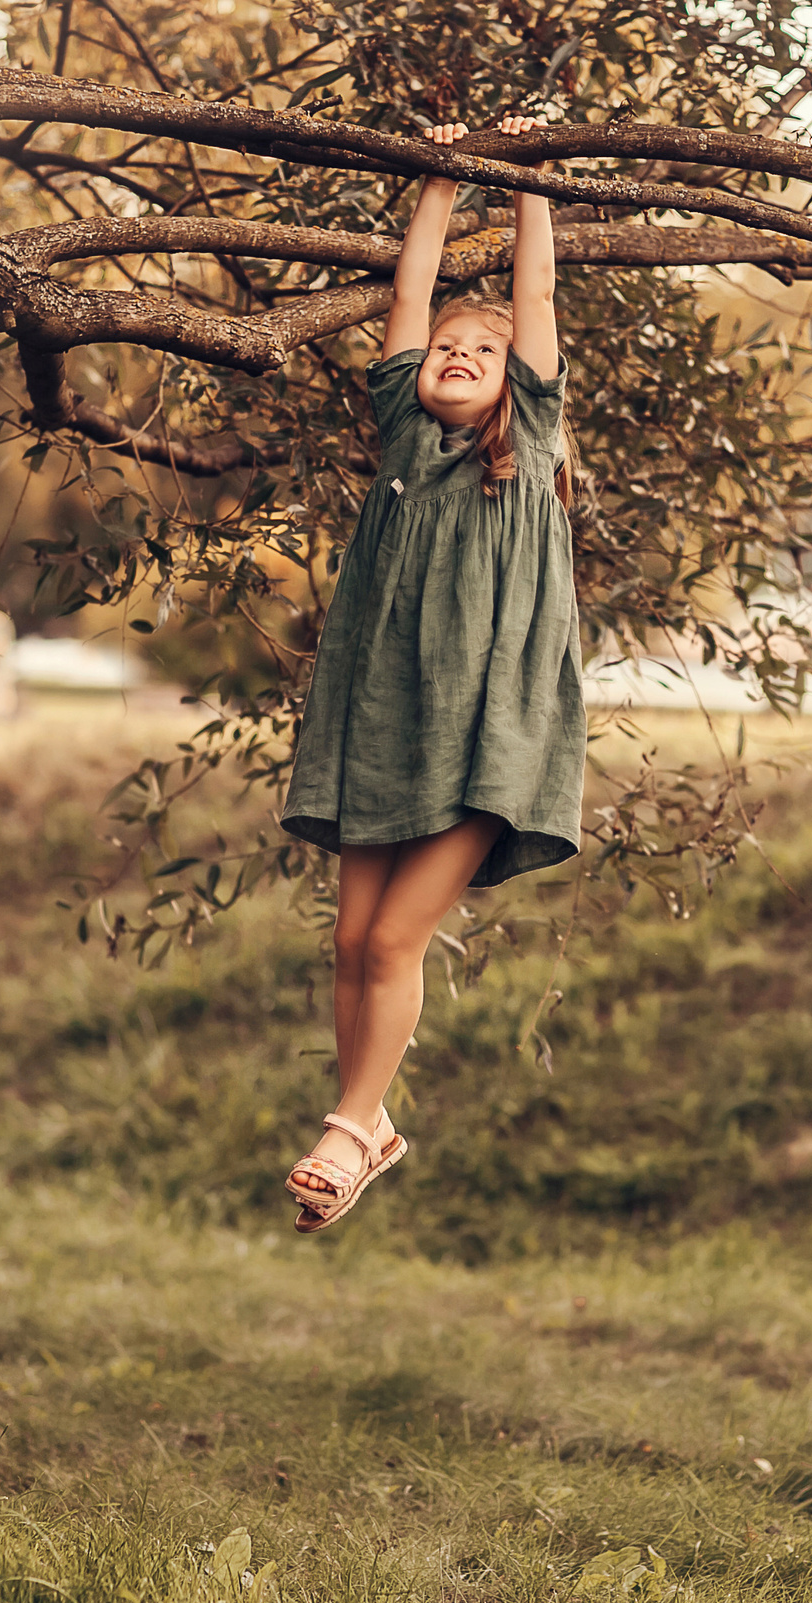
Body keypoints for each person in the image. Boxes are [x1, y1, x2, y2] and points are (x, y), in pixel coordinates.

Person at [277, 115, 586, 1233]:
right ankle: (361, 1129)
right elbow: (411, 294)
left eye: (482, 350)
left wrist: (524, 181)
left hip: (489, 733)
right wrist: (438, 183)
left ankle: (356, 1124)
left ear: (519, 384)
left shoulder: (535, 443)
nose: (456, 355)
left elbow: (534, 297)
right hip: (388, 721)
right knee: (351, 941)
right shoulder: (406, 443)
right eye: (446, 348)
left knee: (397, 939)